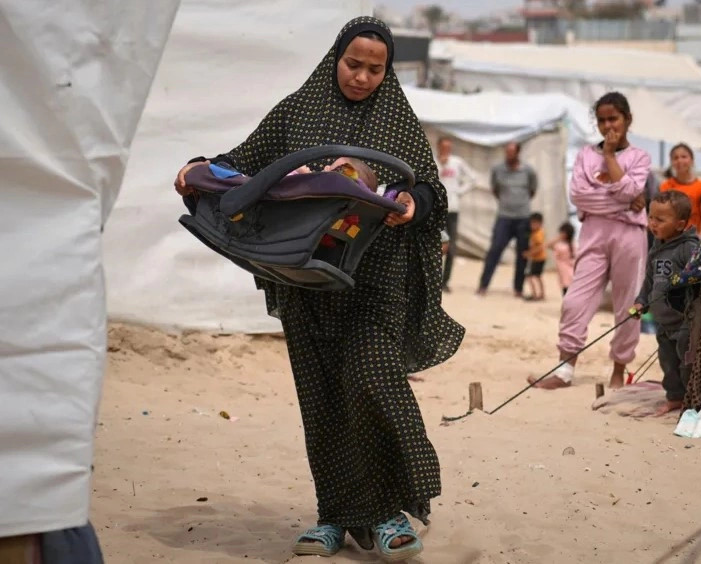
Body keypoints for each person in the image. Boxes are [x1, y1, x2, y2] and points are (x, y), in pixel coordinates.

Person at [173, 17, 464, 561]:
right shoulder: (298, 111)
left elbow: (430, 188)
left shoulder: (397, 117)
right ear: (336, 57)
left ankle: (386, 512)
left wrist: (412, 204)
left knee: (372, 381)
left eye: (375, 69)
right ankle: (334, 516)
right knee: (322, 398)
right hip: (306, 278)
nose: (362, 77)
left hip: (375, 282)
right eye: (354, 64)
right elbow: (243, 164)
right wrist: (198, 165)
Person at [528, 91, 650, 390]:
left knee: (628, 304)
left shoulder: (639, 157)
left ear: (627, 120)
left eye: (614, 119)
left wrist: (610, 158)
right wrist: (623, 200)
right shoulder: (585, 156)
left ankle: (619, 370)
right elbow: (579, 196)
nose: (608, 125)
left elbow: (632, 191)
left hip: (629, 237)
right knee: (575, 300)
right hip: (594, 234)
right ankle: (565, 369)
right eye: (602, 120)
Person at [634, 191, 699, 416]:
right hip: (663, 323)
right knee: (668, 363)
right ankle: (675, 398)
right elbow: (650, 280)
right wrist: (642, 301)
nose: (653, 224)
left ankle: (693, 400)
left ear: (680, 225)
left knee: (687, 362)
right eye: (651, 217)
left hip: (685, 322)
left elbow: (699, 281)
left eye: (660, 220)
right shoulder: (656, 247)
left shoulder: (688, 248)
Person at [477, 141, 538, 297]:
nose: (509, 155)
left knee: (522, 254)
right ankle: (483, 285)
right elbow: (495, 189)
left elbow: (532, 190)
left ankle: (518, 288)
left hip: (523, 218)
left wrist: (519, 203)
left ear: (518, 153)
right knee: (495, 250)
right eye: (507, 152)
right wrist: (507, 203)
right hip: (504, 216)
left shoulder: (528, 171)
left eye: (512, 152)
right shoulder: (498, 170)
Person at [434, 136, 481, 292]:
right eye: (444, 147)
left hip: (452, 208)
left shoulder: (457, 162)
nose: (446, 151)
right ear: (438, 147)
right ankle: (433, 278)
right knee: (435, 244)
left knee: (451, 246)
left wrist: (458, 192)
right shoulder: (433, 161)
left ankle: (445, 281)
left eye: (449, 148)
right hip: (436, 209)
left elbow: (473, 178)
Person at [660, 143, 701, 235]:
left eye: (684, 156)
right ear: (671, 162)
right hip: (670, 238)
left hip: (693, 238)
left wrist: (700, 239)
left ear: (692, 160)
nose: (679, 160)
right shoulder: (665, 186)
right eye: (675, 158)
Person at [523, 212, 547, 301]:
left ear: (540, 224)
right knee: (537, 276)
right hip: (538, 258)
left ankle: (535, 295)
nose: (533, 225)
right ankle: (541, 294)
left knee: (530, 276)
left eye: (535, 223)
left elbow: (540, 247)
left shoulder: (538, 234)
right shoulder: (536, 232)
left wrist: (529, 253)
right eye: (532, 223)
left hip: (538, 258)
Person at [551, 221, 576, 296]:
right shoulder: (571, 244)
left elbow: (548, 245)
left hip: (566, 271)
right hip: (567, 271)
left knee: (566, 290)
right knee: (567, 289)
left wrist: (558, 239)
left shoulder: (563, 246)